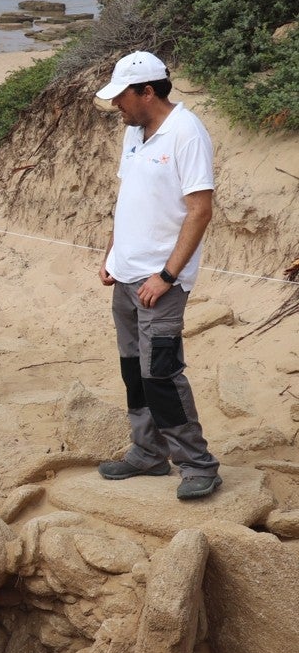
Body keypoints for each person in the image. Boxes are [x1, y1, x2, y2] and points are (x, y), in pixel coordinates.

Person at [95, 50, 222, 500]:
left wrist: (167, 276)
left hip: (159, 282)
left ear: (147, 91)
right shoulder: (135, 133)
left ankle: (197, 463)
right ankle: (147, 452)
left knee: (161, 374)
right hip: (127, 276)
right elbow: (128, 197)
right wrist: (113, 255)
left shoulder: (186, 133)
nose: (116, 105)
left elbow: (200, 210)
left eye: (122, 96)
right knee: (134, 371)